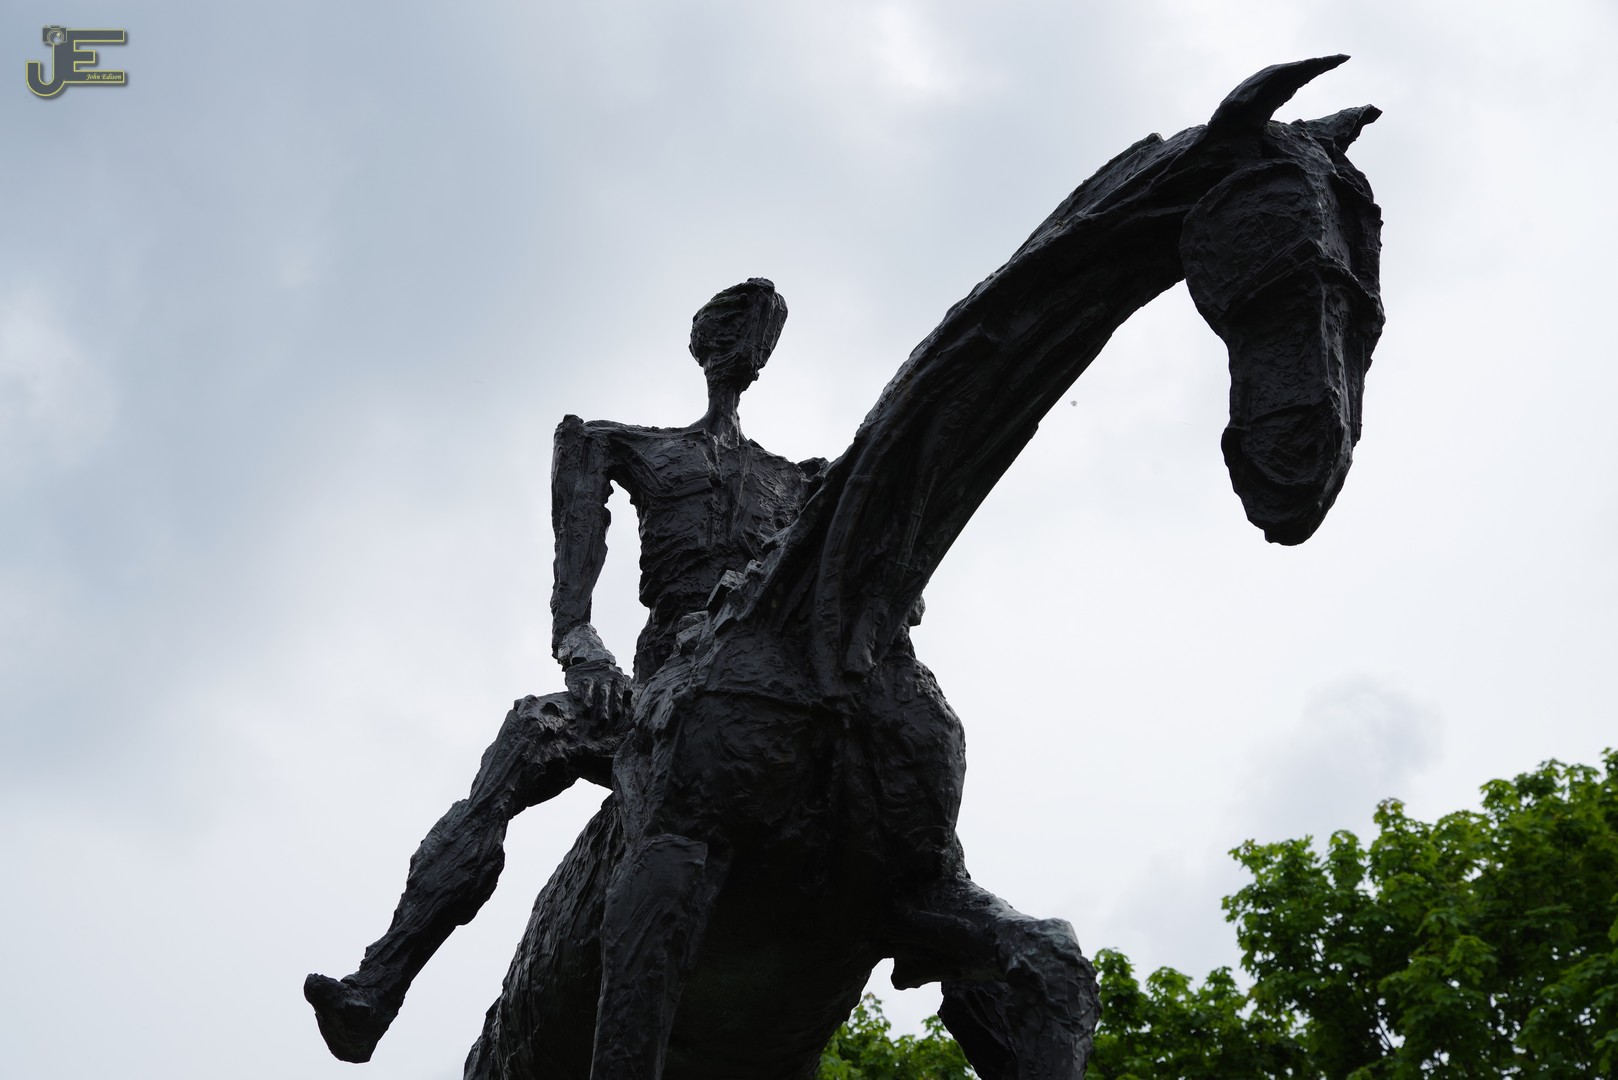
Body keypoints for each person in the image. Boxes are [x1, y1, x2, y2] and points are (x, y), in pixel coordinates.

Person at [304, 279, 829, 1063]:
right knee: (529, 731)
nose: (741, 350)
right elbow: (579, 491)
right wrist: (580, 640)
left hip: (758, 694)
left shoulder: (799, 482)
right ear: (702, 348)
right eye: (729, 334)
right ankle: (378, 987)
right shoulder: (640, 448)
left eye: (755, 338)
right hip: (660, 686)